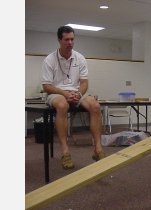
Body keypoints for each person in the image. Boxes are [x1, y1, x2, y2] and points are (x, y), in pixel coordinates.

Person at [41, 25, 106, 169]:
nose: (70, 42)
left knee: (95, 106)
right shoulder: (50, 60)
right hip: (56, 93)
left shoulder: (80, 58)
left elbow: (84, 83)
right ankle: (65, 152)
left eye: (72, 39)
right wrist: (65, 94)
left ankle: (98, 149)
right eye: (66, 39)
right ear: (59, 40)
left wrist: (77, 94)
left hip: (76, 92)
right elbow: (46, 86)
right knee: (62, 105)